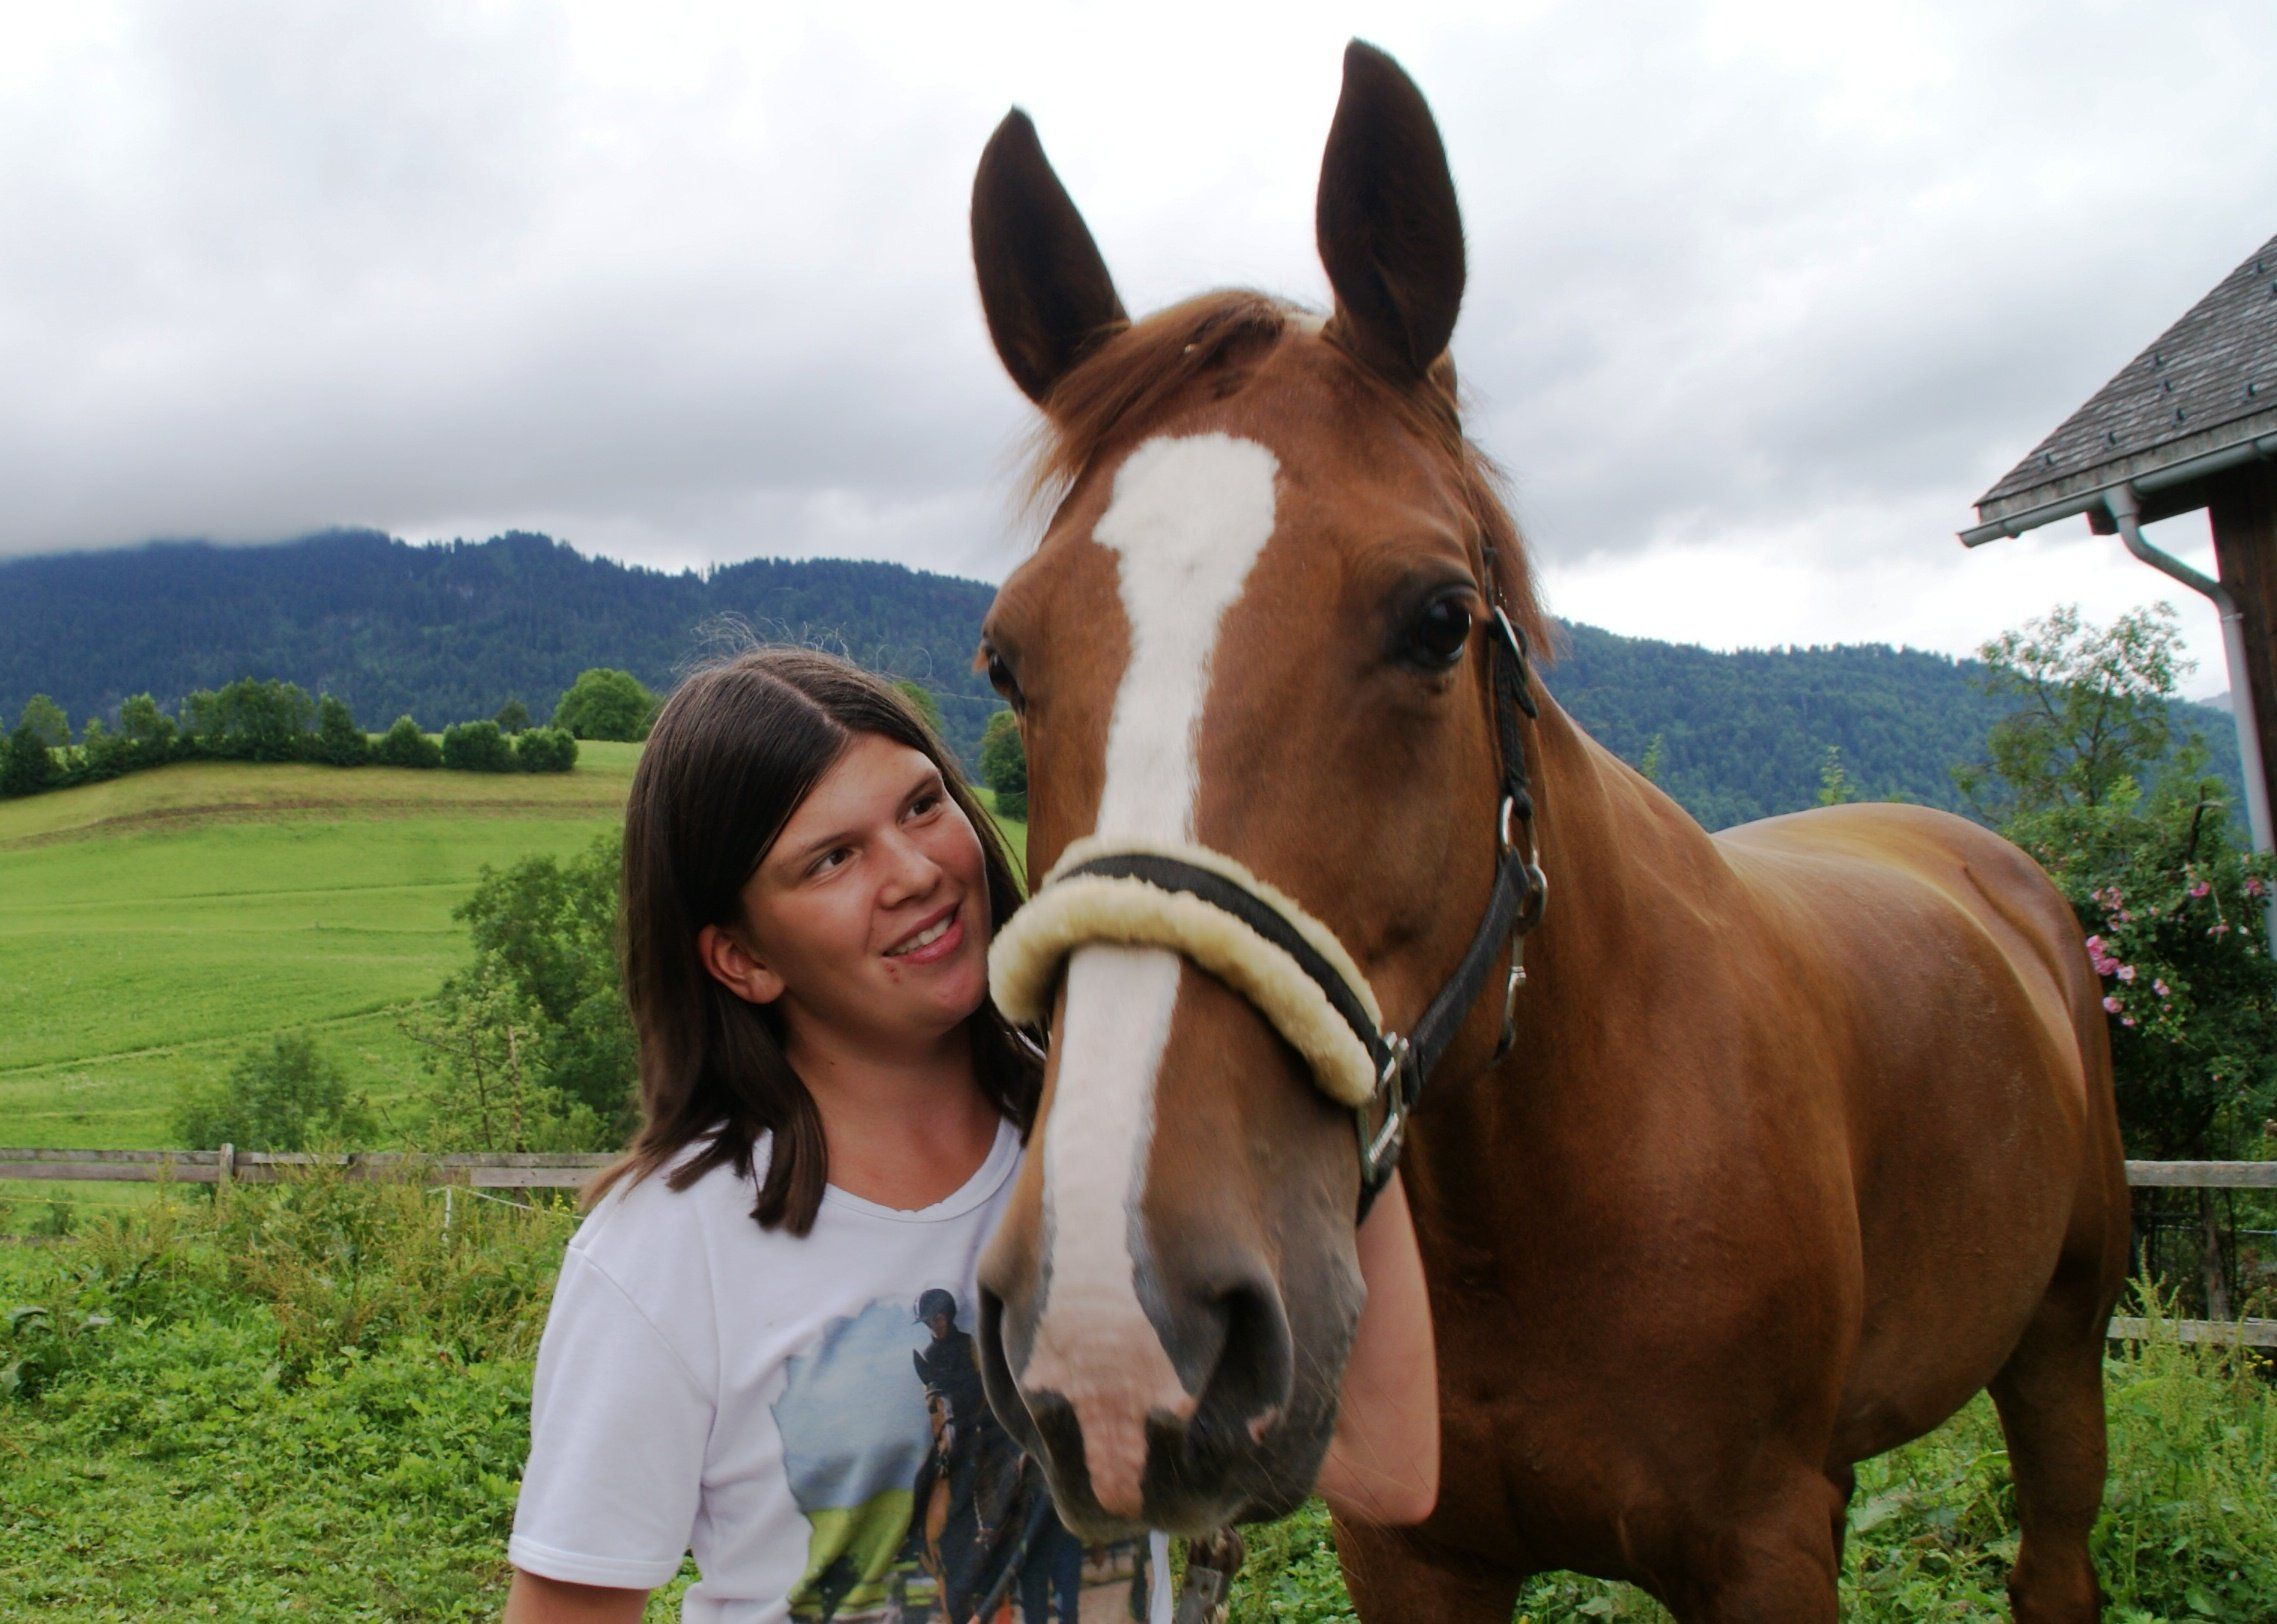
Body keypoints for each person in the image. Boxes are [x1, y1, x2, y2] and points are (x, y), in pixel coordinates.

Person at [503, 647, 1437, 1624]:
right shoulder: (666, 1248)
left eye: (921, 805)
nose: (916, 872)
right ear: (742, 959)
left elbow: (1390, 1468)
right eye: (832, 858)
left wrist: (1337, 1058)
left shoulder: (1120, 1153)